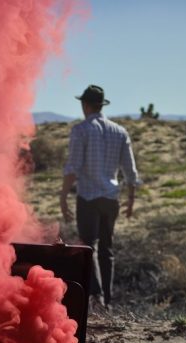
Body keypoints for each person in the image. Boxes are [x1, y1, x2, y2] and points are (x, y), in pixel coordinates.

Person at [60, 85, 139, 309]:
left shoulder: (81, 131)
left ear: (85, 105)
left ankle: (96, 297)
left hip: (88, 198)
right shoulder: (120, 131)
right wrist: (131, 198)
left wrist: (63, 197)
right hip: (111, 198)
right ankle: (108, 299)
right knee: (107, 249)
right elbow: (130, 170)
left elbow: (73, 167)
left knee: (89, 246)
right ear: (101, 105)